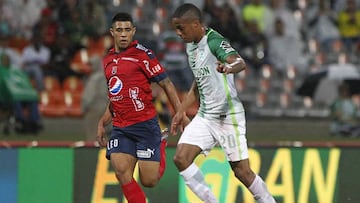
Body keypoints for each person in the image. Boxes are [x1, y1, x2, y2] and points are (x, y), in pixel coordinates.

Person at [170, 3, 276, 203]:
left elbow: (239, 62)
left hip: (228, 116)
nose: (177, 33)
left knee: (242, 172)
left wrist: (228, 68)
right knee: (181, 159)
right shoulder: (190, 46)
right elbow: (198, 82)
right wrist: (181, 111)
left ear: (195, 24)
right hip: (205, 116)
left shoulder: (214, 41)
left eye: (180, 28)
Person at [96, 12, 183, 203]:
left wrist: (180, 113)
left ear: (133, 31)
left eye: (127, 30)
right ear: (112, 32)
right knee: (121, 171)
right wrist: (103, 122)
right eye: (119, 30)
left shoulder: (143, 55)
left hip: (145, 126)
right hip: (121, 127)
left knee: (149, 181)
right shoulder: (108, 61)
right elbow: (116, 96)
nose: (124, 34)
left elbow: (166, 83)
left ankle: (160, 142)